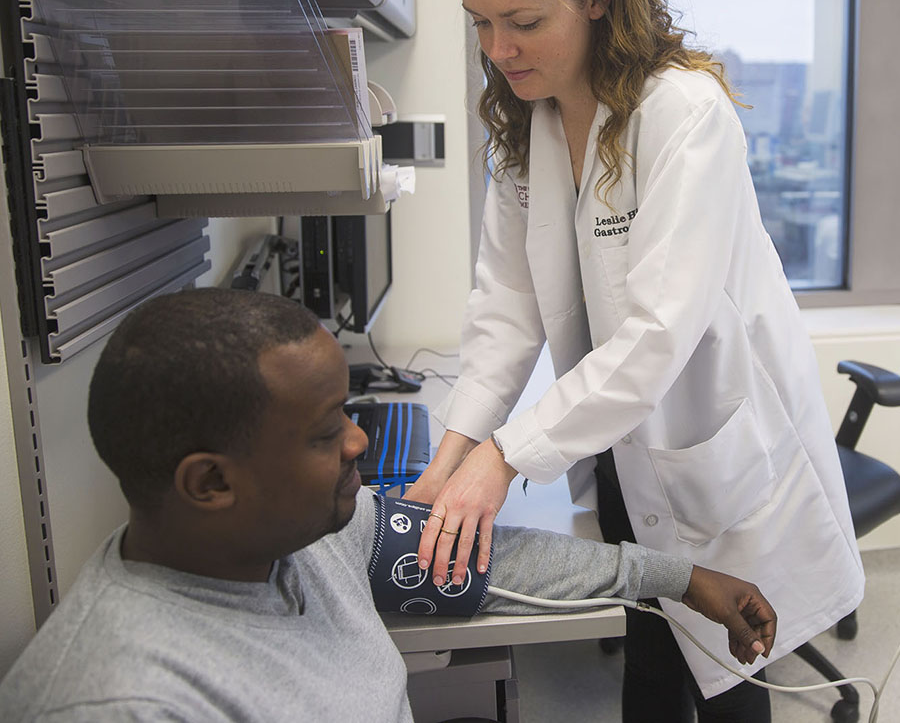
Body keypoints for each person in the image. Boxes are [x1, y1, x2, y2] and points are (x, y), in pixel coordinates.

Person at [405, 0, 864, 722]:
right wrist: (452, 457)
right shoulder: (529, 123)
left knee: (732, 678)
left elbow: (659, 336)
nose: (498, 51)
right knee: (651, 648)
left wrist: (503, 459)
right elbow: (505, 310)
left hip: (711, 448)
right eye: (482, 24)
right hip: (618, 447)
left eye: (523, 22)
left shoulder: (683, 115)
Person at [0, 288, 777, 723]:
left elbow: (480, 556)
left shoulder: (301, 537)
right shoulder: (122, 700)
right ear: (209, 483)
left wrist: (676, 578)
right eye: (323, 432)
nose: (358, 445)